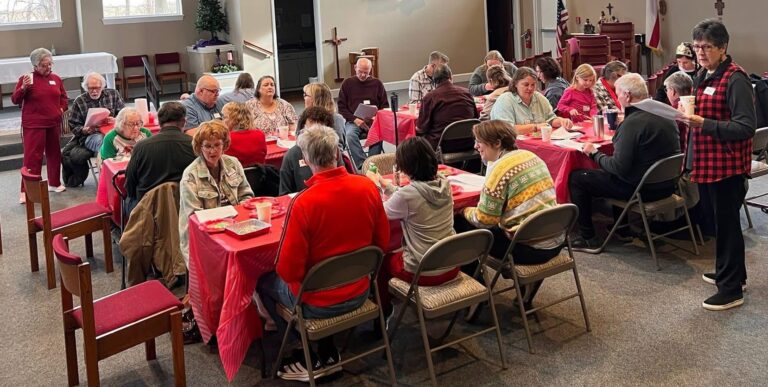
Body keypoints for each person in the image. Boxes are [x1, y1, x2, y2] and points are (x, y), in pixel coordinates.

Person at [258, 125, 389, 382]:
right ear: (337, 153)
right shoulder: (367, 188)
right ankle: (325, 348)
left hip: (317, 304)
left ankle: (302, 346)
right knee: (317, 276)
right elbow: (381, 244)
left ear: (305, 160)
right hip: (360, 291)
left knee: (263, 281)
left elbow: (289, 271)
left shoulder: (304, 203)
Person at [677, 19, 755, 311]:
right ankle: (731, 273)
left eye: (707, 46)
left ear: (723, 48)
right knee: (722, 225)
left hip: (728, 166)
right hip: (708, 163)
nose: (700, 52)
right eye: (697, 46)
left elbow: (746, 126)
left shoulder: (736, 79)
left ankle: (732, 289)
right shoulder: (703, 73)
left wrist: (704, 123)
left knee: (727, 226)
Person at [456, 120, 563, 314]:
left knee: (459, 225)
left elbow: (484, 219)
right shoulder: (532, 156)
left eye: (479, 141)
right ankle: (525, 288)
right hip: (555, 241)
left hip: (527, 249)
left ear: (496, 143)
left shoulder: (499, 170)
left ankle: (476, 291)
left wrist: (463, 210)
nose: (475, 146)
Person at [569, 73, 681, 248]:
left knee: (577, 177)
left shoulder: (632, 123)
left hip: (642, 189)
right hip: (668, 184)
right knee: (621, 169)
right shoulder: (665, 114)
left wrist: (594, 153)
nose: (617, 98)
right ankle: (621, 227)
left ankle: (587, 236)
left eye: (618, 93)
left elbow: (618, 168)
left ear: (627, 95)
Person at [366, 137, 456, 315]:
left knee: (382, 261)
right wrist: (386, 185)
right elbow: (409, 196)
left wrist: (374, 184)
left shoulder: (408, 195)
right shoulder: (445, 184)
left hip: (424, 271)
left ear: (405, 167)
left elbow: (379, 213)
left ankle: (382, 312)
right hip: (452, 263)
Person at [179, 120, 254, 264]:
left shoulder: (233, 163)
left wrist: (240, 219)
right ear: (199, 147)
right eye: (207, 146)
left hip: (236, 227)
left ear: (224, 145)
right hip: (204, 236)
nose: (212, 151)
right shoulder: (190, 175)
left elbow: (247, 195)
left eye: (217, 145)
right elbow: (194, 217)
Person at [12, 47, 68, 202]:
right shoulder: (27, 78)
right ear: (35, 66)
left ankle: (54, 183)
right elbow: (15, 99)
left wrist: (61, 109)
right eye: (44, 65)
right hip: (34, 124)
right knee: (32, 157)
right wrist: (23, 88)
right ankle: (27, 191)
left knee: (54, 154)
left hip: (53, 122)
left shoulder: (56, 78)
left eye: (50, 64)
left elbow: (63, 97)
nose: (48, 68)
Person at [124, 102, 196, 215]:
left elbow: (130, 184)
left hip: (148, 209)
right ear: (184, 122)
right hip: (185, 206)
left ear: (159, 122)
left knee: (126, 200)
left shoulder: (141, 147)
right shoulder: (195, 144)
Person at [490, 67, 573, 135]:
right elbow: (506, 129)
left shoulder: (540, 98)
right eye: (526, 85)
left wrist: (562, 121)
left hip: (536, 144)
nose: (530, 88)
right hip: (512, 147)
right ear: (515, 84)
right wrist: (535, 127)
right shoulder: (505, 100)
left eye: (533, 85)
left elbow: (550, 119)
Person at [337, 57, 389, 167]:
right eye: (360, 72)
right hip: (353, 121)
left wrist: (376, 118)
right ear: (355, 68)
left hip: (373, 121)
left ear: (371, 70)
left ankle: (372, 163)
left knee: (379, 134)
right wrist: (354, 119)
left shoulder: (377, 83)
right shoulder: (347, 84)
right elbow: (341, 108)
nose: (363, 75)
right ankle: (363, 164)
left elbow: (385, 106)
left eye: (366, 72)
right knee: (350, 135)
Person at [415, 63, 479, 149]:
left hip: (442, 145)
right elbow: (475, 119)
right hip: (469, 142)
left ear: (433, 80)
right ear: (451, 77)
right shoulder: (467, 93)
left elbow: (421, 128)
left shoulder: (430, 97)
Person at [279, 107, 340, 195]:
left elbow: (343, 178)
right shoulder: (292, 155)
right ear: (303, 126)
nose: (316, 127)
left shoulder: (333, 149)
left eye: (321, 123)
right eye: (312, 122)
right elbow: (284, 193)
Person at [68, 72, 125, 153]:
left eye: (97, 88)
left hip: (112, 130)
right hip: (92, 135)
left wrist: (115, 119)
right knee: (104, 142)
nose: (94, 91)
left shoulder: (113, 94)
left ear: (102, 87)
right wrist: (84, 130)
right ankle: (107, 162)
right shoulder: (79, 101)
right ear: (86, 87)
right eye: (91, 88)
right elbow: (73, 125)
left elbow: (124, 114)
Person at [222, 101, 267, 167]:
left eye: (225, 117)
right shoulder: (260, 134)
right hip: (260, 174)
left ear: (234, 120)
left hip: (235, 176)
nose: (222, 120)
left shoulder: (226, 138)